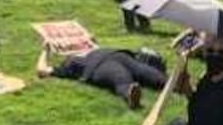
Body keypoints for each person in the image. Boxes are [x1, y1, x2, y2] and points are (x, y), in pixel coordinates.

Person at [36, 44, 168, 109]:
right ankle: (130, 94)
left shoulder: (87, 48)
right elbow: (41, 70)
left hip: (119, 56)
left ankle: (173, 83)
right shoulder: (68, 66)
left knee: (144, 71)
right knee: (121, 78)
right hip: (99, 66)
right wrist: (45, 51)